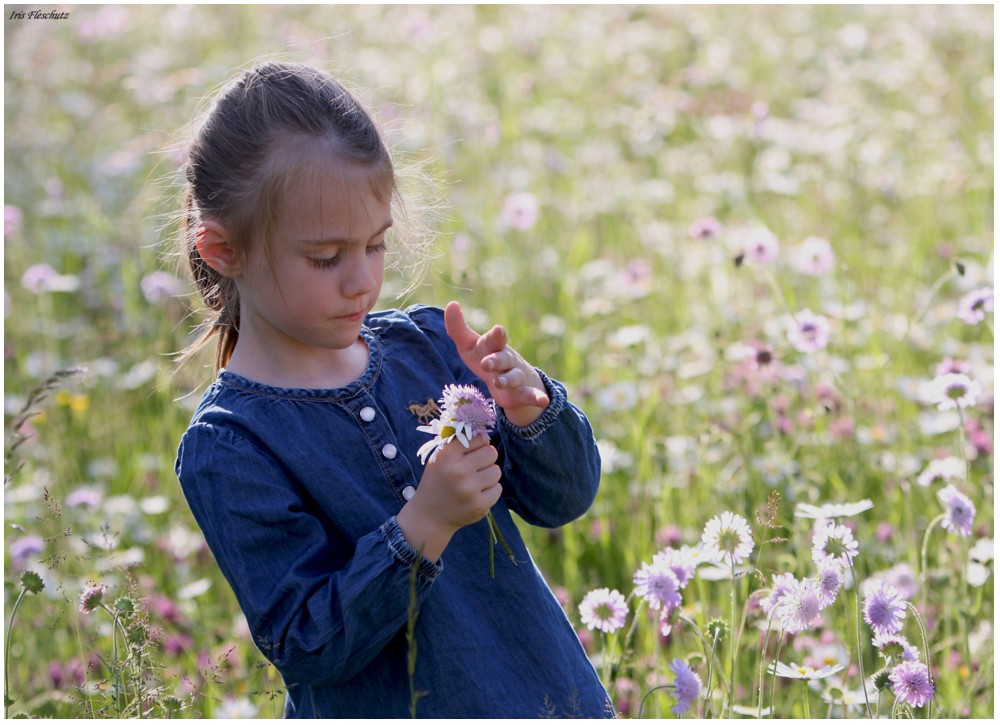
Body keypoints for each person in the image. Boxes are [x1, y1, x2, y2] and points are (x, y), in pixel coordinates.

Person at [174, 61, 611, 718]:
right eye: (326, 257)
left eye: (375, 245)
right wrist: (423, 524)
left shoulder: (430, 346)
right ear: (222, 248)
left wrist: (531, 411)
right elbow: (307, 641)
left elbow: (565, 498)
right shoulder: (232, 444)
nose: (361, 280)